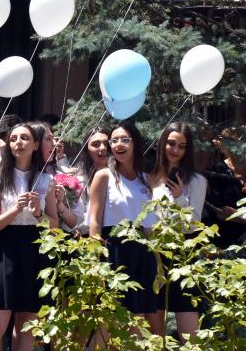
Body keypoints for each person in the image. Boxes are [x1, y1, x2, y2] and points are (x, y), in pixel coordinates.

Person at [0, 124, 58, 351]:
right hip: (7, 249)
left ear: (35, 145)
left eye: (24, 138)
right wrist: (15, 210)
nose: (18, 143)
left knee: (28, 325)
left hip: (36, 249)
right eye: (13, 139)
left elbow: (55, 226)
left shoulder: (46, 180)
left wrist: (38, 213)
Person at [88, 122, 158, 341]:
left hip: (142, 253)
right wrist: (95, 262)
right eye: (114, 140)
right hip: (114, 252)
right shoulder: (104, 176)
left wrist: (157, 261)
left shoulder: (146, 179)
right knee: (109, 321)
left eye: (125, 139)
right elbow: (94, 222)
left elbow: (150, 225)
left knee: (137, 321)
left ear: (135, 143)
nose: (118, 144)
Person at [147, 122, 207, 340]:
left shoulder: (197, 181)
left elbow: (194, 225)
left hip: (183, 255)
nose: (175, 150)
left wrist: (180, 196)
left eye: (182, 146)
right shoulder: (148, 178)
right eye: (171, 143)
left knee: (190, 334)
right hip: (153, 255)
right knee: (154, 333)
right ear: (163, 143)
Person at [68, 127, 111, 236]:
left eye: (107, 144)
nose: (103, 148)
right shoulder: (78, 180)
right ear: (87, 149)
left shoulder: (123, 176)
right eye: (96, 144)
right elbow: (77, 220)